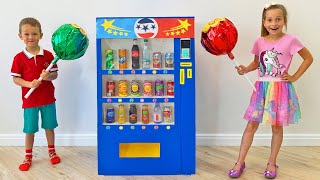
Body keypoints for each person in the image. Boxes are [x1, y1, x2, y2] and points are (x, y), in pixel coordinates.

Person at [228, 3, 313, 179]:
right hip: (261, 89)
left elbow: (308, 58)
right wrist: (245, 69)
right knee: (251, 124)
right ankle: (240, 161)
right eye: (269, 19)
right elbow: (256, 63)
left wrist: (295, 77)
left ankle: (272, 162)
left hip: (280, 89)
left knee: (276, 127)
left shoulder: (291, 40)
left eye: (278, 19)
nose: (273, 23)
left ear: (284, 21)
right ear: (264, 22)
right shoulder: (259, 41)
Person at [11, 17, 61, 171]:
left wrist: (48, 76)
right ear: (20, 36)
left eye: (34, 33)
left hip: (47, 99)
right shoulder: (18, 58)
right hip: (30, 101)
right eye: (26, 34)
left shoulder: (48, 56)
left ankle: (52, 152)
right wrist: (28, 84)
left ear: (41, 35)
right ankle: (28, 156)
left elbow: (55, 75)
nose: (30, 37)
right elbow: (15, 79)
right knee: (30, 129)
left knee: (49, 127)